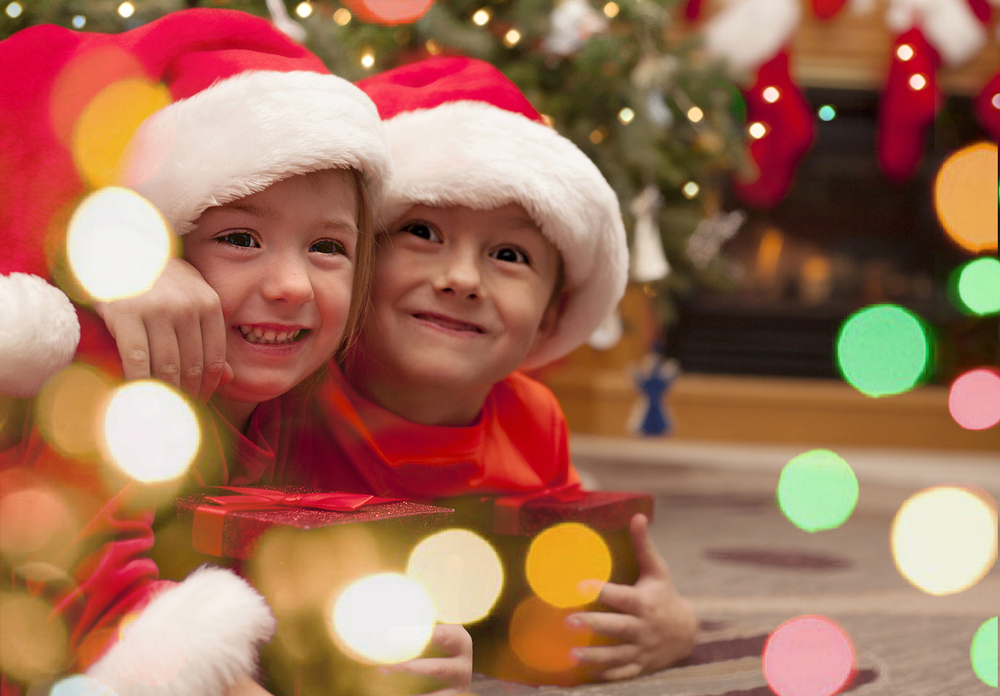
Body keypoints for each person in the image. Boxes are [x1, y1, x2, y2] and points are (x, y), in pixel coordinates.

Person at [85, 55, 697, 683]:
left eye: (508, 254)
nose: (460, 279)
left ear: (552, 317)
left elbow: (569, 569)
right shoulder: (285, 384)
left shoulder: (532, 422)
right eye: (423, 233)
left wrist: (670, 622)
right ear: (363, 270)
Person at [0, 11, 470, 696]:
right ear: (164, 256)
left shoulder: (300, 404)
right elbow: (95, 607)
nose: (289, 286)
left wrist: (398, 649)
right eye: (241, 240)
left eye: (327, 248)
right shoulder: (109, 385)